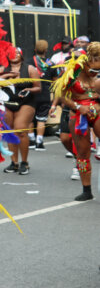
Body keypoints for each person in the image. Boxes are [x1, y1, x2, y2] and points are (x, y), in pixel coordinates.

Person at [52, 43, 100, 201]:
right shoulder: (73, 71)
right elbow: (62, 94)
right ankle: (87, 190)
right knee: (83, 153)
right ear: (88, 61)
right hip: (78, 115)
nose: (95, 74)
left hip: (97, 111)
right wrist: (78, 106)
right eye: (93, 70)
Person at [0, 48, 41, 175]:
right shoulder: (2, 69)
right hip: (8, 103)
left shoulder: (29, 69)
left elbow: (38, 87)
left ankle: (24, 162)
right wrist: (7, 77)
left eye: (16, 53)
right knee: (10, 131)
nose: (14, 55)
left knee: (20, 129)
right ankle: (14, 162)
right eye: (11, 53)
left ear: (21, 56)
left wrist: (28, 89)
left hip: (26, 102)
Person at [49, 36, 78, 175]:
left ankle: (80, 167)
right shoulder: (64, 77)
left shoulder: (87, 76)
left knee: (80, 141)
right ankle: (78, 158)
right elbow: (59, 92)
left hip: (83, 111)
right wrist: (54, 105)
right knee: (65, 138)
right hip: (68, 109)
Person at [31, 40, 52, 150]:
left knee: (29, 118)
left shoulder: (29, 62)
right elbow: (55, 81)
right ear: (46, 50)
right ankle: (39, 142)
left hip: (32, 93)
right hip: (44, 94)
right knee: (41, 119)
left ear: (35, 49)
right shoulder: (50, 63)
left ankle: (30, 140)